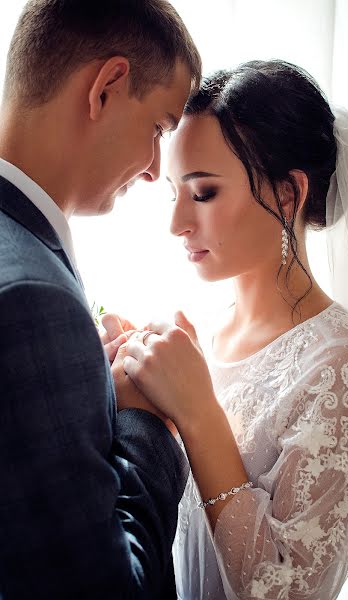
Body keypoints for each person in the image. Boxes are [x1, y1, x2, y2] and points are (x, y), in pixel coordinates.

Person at [105, 60, 348, 599]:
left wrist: (198, 414)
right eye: (174, 193)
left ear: (288, 195)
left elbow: (289, 590)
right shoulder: (200, 335)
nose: (177, 223)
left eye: (205, 193)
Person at [0, 1, 201, 598]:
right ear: (107, 87)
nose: (152, 168)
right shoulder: (35, 297)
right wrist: (141, 416)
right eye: (160, 128)